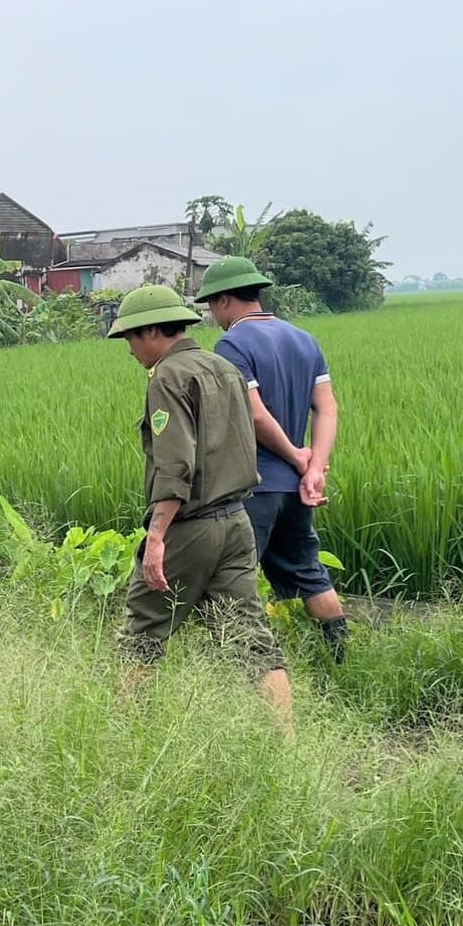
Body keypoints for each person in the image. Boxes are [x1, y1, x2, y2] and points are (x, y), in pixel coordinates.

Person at [106, 284, 293, 730]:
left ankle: (121, 734)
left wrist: (156, 539)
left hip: (189, 527)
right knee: (249, 637)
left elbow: (175, 466)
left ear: (152, 330)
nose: (129, 348)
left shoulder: (168, 377)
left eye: (131, 337)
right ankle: (287, 739)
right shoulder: (223, 367)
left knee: (142, 631)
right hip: (235, 522)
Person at [196, 257, 350, 661]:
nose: (213, 316)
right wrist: (314, 466)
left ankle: (249, 668)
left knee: (234, 577)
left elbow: (255, 413)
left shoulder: (231, 344)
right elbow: (327, 407)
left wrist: (298, 459)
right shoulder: (304, 339)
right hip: (296, 489)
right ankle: (341, 658)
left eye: (212, 306)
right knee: (306, 569)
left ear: (226, 300)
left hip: (256, 485)